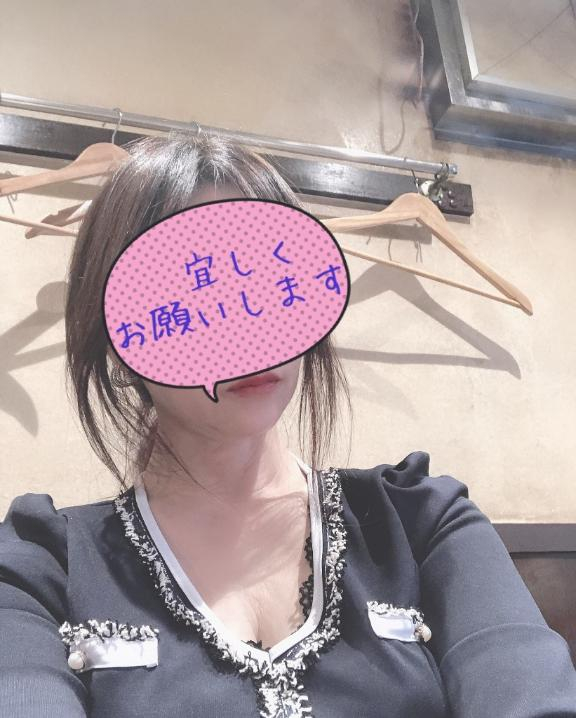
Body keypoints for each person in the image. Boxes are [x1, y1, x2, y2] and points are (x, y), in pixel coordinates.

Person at [1, 132, 575, 718]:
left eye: (270, 284)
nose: (248, 331)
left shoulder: (422, 522)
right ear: (117, 335)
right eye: (196, 297)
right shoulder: (42, 565)